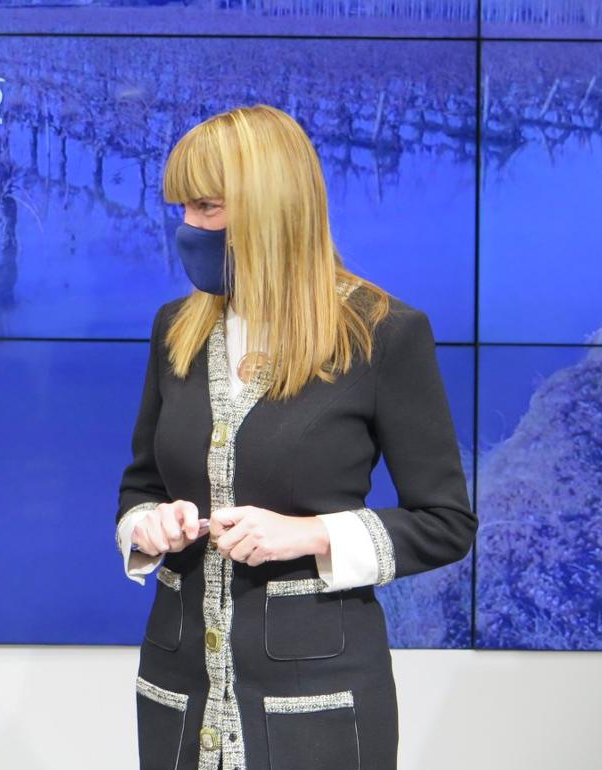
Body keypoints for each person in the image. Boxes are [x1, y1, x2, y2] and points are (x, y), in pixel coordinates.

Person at [115, 105, 475, 770]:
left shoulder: (383, 334)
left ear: (268, 208)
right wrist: (146, 527)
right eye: (183, 208)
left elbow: (446, 522)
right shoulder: (177, 328)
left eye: (205, 207)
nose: (186, 227)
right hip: (179, 697)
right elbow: (141, 486)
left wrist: (311, 535)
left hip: (320, 708)